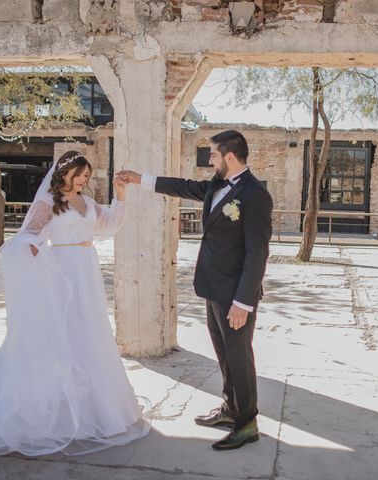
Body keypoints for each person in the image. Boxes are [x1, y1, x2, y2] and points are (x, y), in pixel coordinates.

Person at [0, 151, 149, 456]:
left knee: (88, 331)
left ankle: (92, 407)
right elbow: (27, 237)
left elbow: (111, 224)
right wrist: (35, 252)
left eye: (86, 176)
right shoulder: (48, 203)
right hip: (62, 271)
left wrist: (121, 195)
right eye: (77, 175)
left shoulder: (87, 203)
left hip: (86, 270)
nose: (81, 181)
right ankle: (53, 406)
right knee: (62, 333)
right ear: (63, 173)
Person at [117, 130, 273, 450]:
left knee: (239, 358)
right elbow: (182, 187)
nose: (210, 159)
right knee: (224, 356)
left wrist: (243, 302)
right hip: (213, 288)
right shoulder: (216, 185)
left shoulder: (256, 195)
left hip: (236, 296)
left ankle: (247, 424)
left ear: (229, 156)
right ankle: (231, 409)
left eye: (213, 154)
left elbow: (258, 252)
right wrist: (139, 179)